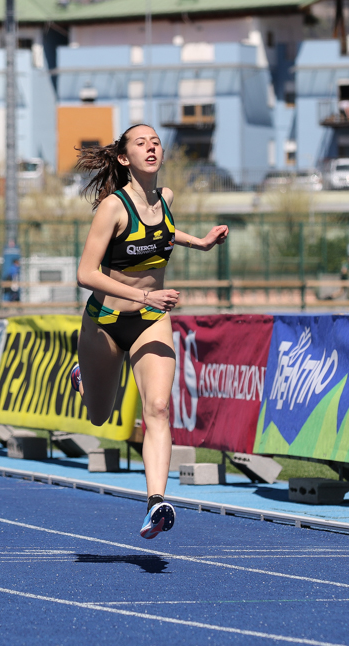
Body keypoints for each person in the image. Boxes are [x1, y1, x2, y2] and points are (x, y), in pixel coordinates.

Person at [69, 124, 228, 539]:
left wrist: (201, 243)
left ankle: (156, 502)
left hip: (151, 319)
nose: (151, 147)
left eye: (156, 142)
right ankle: (83, 377)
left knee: (157, 408)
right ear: (124, 158)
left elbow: (162, 232)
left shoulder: (166, 198)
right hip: (105, 321)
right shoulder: (113, 208)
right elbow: (85, 273)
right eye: (141, 143)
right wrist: (143, 295)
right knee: (99, 416)